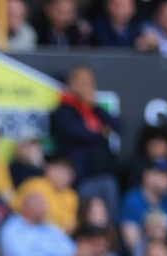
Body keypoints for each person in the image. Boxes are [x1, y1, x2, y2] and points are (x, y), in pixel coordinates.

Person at [50, 66, 121, 220]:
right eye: (81, 82)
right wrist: (102, 133)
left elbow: (117, 125)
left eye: (89, 83)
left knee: (110, 220)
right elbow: (79, 134)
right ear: (70, 84)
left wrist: (94, 106)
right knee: (85, 219)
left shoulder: (95, 110)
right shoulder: (62, 111)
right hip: (82, 178)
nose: (86, 87)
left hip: (105, 174)